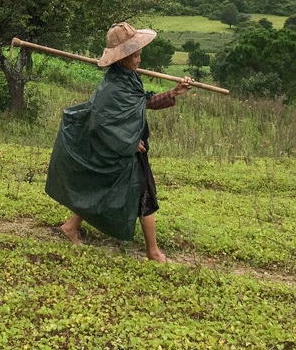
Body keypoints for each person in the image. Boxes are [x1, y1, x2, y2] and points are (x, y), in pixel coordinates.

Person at [45, 22, 195, 262]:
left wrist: (174, 92)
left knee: (102, 186)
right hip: (125, 148)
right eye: (134, 56)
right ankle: (153, 251)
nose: (138, 60)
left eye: (139, 55)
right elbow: (100, 123)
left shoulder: (129, 79)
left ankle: (71, 226)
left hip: (132, 146)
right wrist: (129, 142)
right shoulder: (112, 88)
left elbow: (143, 102)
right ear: (121, 58)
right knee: (145, 194)